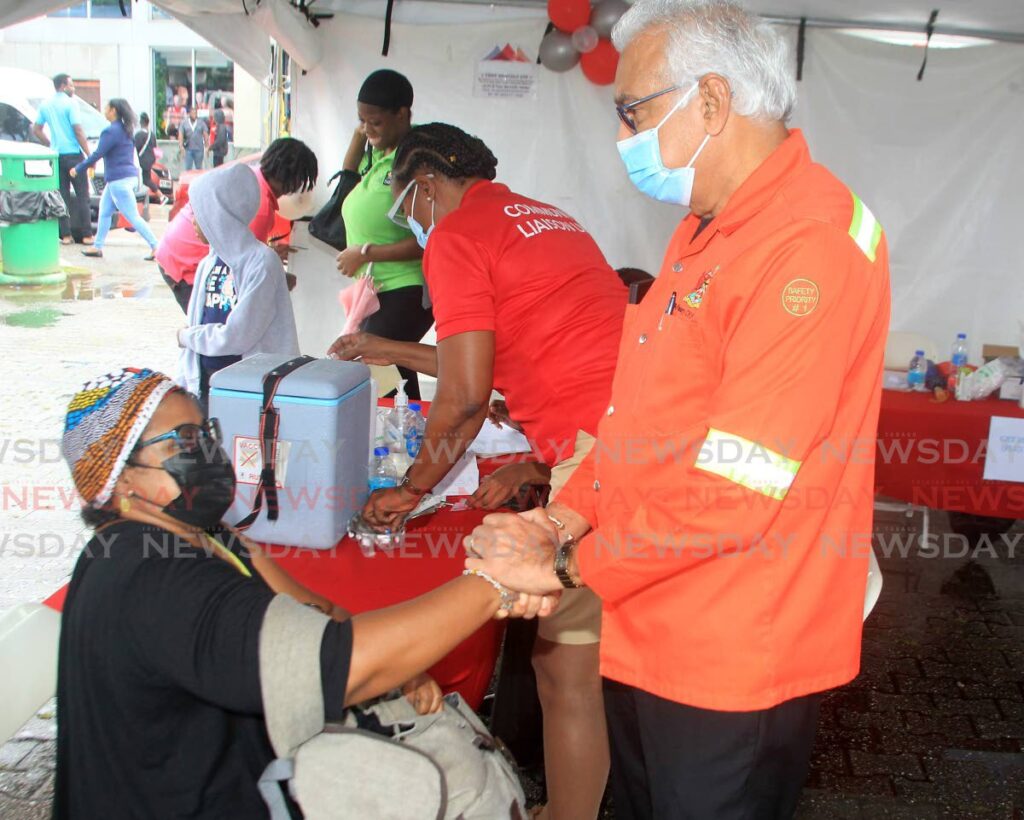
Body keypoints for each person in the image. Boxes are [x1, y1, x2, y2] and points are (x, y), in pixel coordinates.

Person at [464, 2, 892, 818]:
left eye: (633, 110)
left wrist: (558, 568)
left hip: (732, 651)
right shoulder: (706, 228)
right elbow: (640, 424)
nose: (622, 135)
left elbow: (736, 489)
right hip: (652, 620)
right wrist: (560, 521)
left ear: (711, 101)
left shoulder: (809, 247)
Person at [54, 366, 555, 819]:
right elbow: (332, 667)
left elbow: (315, 610)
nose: (208, 452)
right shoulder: (148, 571)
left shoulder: (206, 537)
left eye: (207, 433)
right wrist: (495, 583)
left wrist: (398, 673)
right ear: (120, 480)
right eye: (183, 443)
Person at [329, 122, 628, 820]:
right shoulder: (547, 218)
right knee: (577, 663)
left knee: (565, 668)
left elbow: (463, 401)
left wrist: (412, 488)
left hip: (597, 452)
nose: (408, 217)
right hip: (631, 431)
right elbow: (491, 362)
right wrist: (386, 345)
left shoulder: (459, 235)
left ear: (424, 185)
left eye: (404, 199)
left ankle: (571, 814)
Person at [334, 69, 433, 400]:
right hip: (378, 289)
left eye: (374, 121)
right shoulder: (380, 151)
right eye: (361, 120)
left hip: (406, 287)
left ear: (402, 114)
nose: (367, 128)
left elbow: (428, 239)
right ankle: (414, 438)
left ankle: (406, 441)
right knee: (395, 372)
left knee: (377, 368)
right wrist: (362, 134)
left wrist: (365, 253)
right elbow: (347, 179)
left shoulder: (414, 159)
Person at [176, 163, 298, 412]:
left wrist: (186, 337)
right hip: (207, 385)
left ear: (219, 214)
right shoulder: (208, 263)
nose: (193, 220)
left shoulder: (261, 262)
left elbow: (238, 336)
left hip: (247, 391)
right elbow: (197, 321)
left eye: (199, 212)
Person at [156, 137, 317, 313]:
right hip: (186, 264)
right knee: (211, 323)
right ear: (294, 180)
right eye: (303, 182)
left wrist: (268, 252)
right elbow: (246, 270)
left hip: (173, 249)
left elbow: (242, 251)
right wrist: (280, 279)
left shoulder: (250, 178)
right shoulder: (260, 205)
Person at [72, 98, 159, 262]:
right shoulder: (126, 130)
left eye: (107, 107)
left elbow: (98, 153)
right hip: (124, 178)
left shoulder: (110, 131)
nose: (104, 110)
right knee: (104, 213)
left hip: (119, 181)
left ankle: (156, 246)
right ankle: (97, 247)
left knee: (133, 217)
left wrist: (78, 169)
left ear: (113, 111)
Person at [31, 73, 93, 245]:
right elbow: (78, 131)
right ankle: (87, 235)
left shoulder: (46, 105)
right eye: (71, 85)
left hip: (56, 156)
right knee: (82, 195)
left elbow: (36, 129)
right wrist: (89, 155)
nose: (73, 89)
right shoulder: (71, 104)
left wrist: (50, 143)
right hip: (74, 155)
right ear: (63, 86)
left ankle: (65, 235)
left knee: (62, 196)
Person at [134, 112, 165, 203]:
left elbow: (135, 148)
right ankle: (159, 196)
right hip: (150, 161)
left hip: (141, 162)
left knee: (145, 181)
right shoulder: (152, 135)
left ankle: (160, 195)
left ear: (141, 123)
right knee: (146, 180)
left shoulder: (138, 135)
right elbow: (154, 147)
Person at [179, 106, 208, 171]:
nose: (194, 115)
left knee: (199, 168)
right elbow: (181, 134)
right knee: (188, 168)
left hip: (199, 149)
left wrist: (207, 146)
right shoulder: (184, 123)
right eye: (193, 113)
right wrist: (181, 146)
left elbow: (205, 135)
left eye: (195, 113)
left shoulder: (201, 123)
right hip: (188, 149)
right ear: (189, 114)